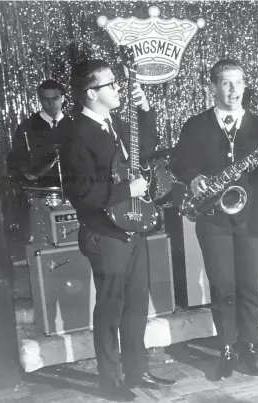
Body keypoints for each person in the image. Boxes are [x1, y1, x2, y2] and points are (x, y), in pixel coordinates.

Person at [60, 59, 175, 402]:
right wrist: (127, 191)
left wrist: (145, 107)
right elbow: (81, 193)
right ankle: (110, 381)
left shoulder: (113, 122)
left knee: (136, 305)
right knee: (110, 310)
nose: (117, 88)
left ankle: (138, 370)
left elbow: (145, 150)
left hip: (133, 228)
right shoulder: (76, 133)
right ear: (91, 93)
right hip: (106, 235)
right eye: (111, 84)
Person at [170, 59, 258, 380]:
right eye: (226, 82)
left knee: (250, 285)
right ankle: (225, 348)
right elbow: (179, 164)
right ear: (213, 87)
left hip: (251, 220)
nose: (234, 90)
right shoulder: (195, 125)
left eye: (238, 82)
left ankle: (248, 348)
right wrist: (193, 177)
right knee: (222, 287)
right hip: (213, 219)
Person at [6, 79, 71, 252]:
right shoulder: (27, 127)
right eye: (46, 99)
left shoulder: (75, 125)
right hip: (40, 198)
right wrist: (25, 170)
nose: (51, 104)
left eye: (55, 98)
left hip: (74, 195)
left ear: (63, 98)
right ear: (40, 100)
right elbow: (16, 160)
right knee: (45, 247)